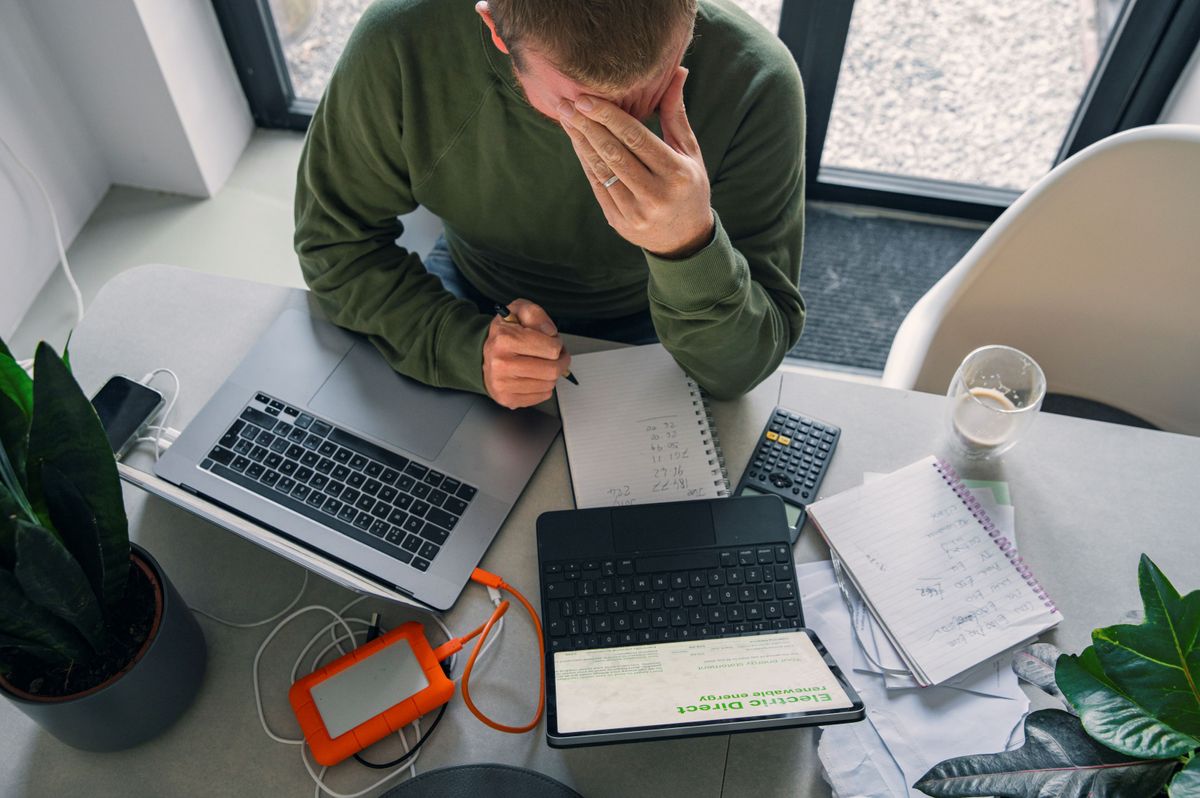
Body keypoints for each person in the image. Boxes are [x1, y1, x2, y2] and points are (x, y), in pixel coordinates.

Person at [295, 0, 806, 408]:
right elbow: (333, 242)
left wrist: (689, 245)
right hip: (470, 293)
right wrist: (462, 348)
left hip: (662, 323)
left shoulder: (758, 81)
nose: (614, 134)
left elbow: (742, 370)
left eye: (646, 95)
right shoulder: (401, 42)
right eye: (576, 107)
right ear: (496, 31)